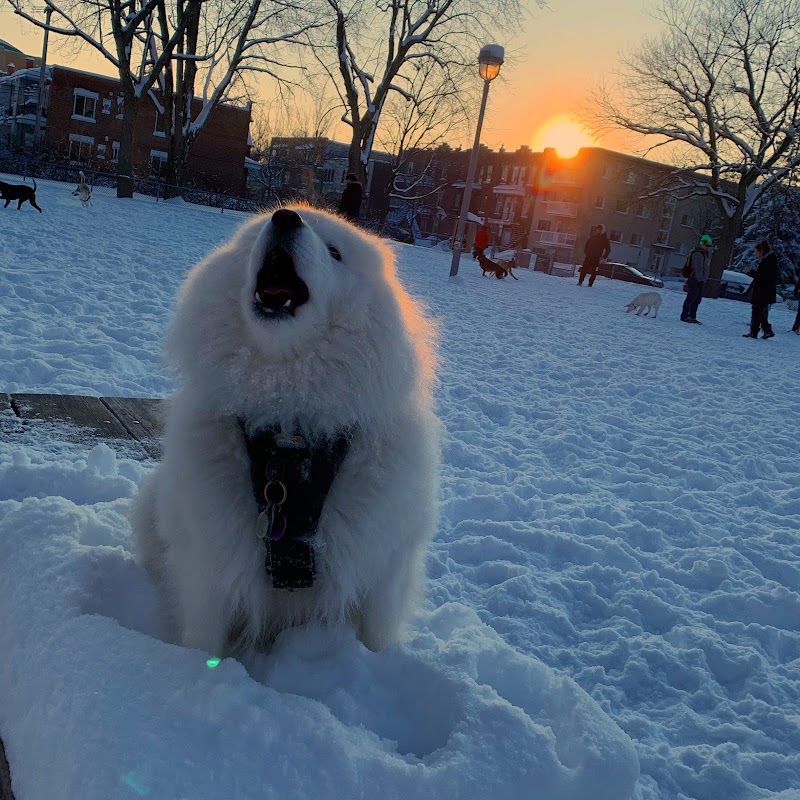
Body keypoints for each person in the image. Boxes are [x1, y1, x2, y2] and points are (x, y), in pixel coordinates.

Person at [742, 240, 779, 339]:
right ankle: (765, 330)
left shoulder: (767, 262)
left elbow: (761, 277)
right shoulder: (770, 261)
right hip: (765, 292)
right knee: (759, 312)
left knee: (757, 311)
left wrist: (750, 272)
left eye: (756, 252)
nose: (756, 254)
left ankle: (758, 331)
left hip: (762, 292)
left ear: (761, 251)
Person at [680, 234, 713, 324]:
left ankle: (692, 316)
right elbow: (698, 268)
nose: (708, 247)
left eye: (710, 245)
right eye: (707, 245)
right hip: (695, 279)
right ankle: (685, 316)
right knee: (691, 298)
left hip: (699, 280)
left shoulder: (704, 254)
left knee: (697, 299)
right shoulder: (698, 254)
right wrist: (700, 279)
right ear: (702, 244)